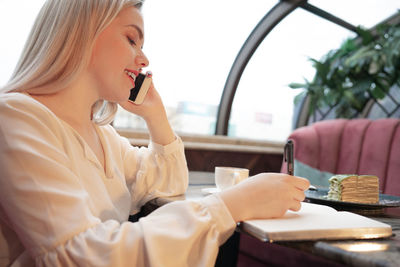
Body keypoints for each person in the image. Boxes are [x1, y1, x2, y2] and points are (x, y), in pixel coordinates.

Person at [0, 0, 310, 266]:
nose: (144, 59)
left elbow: (167, 185)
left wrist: (156, 116)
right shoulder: (16, 117)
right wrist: (232, 205)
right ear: (83, 32)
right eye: (132, 39)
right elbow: (75, 256)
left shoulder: (105, 139)